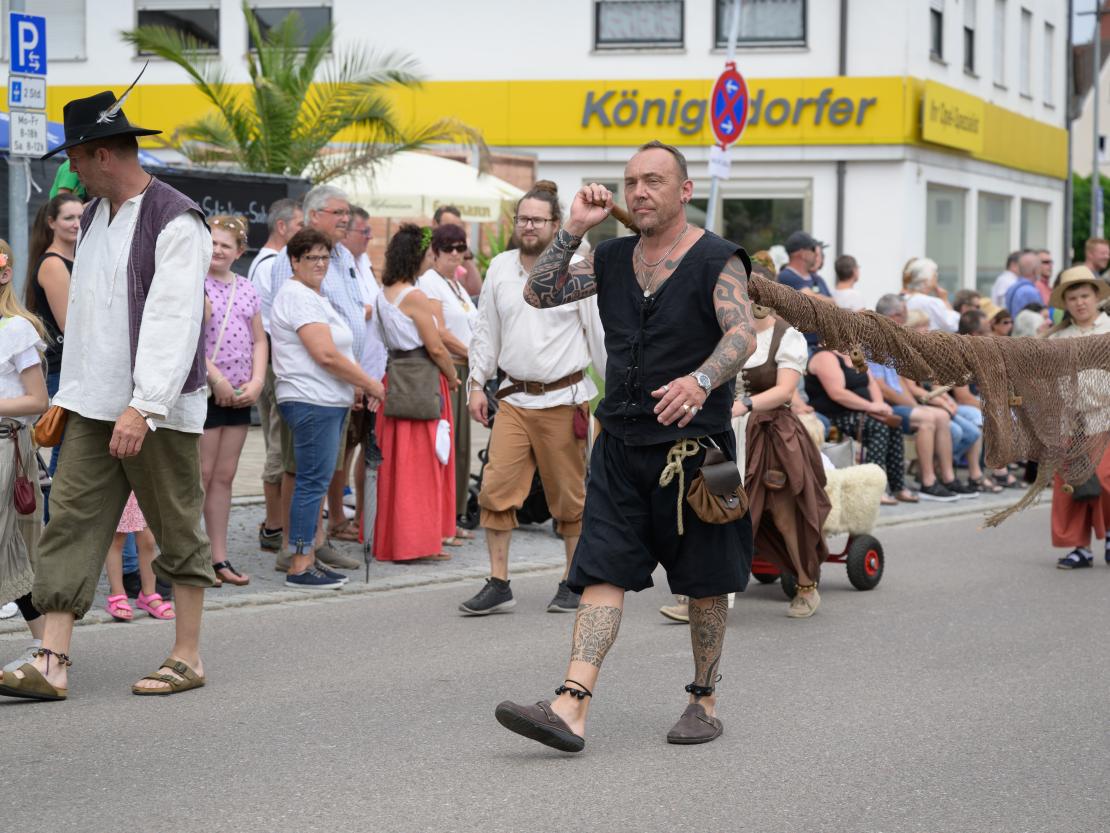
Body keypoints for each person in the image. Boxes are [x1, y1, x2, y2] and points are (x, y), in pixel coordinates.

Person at [495, 140, 757, 752]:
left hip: (701, 453)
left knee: (706, 583)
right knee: (602, 569)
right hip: (619, 445)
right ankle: (571, 705)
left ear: (685, 191)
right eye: (632, 181)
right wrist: (572, 228)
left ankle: (703, 700)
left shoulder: (718, 258)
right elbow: (538, 293)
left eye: (654, 181)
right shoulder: (610, 257)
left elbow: (742, 334)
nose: (639, 191)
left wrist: (700, 381)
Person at [2, 88, 216, 701]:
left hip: (158, 410)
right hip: (92, 404)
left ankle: (187, 655)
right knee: (69, 521)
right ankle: (52, 661)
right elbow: (90, 319)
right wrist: (71, 396)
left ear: (102, 154)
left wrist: (143, 405)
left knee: (177, 527)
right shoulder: (96, 215)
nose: (70, 172)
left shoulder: (176, 219)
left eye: (75, 158)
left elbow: (175, 320)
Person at [458, 181, 606, 616]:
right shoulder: (500, 267)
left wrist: (615, 393)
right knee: (495, 490)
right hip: (512, 398)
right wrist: (476, 384)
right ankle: (498, 581)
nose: (528, 226)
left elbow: (598, 333)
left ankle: (573, 580)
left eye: (537, 220)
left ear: (556, 225)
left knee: (570, 498)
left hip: (563, 398)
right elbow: (486, 330)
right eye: (523, 218)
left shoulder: (577, 267)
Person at [270, 228, 384, 588]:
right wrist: (368, 382)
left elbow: (338, 351)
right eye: (311, 257)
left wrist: (353, 385)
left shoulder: (314, 296)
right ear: (294, 261)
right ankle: (300, 563)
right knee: (310, 482)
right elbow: (325, 354)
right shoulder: (297, 296)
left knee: (315, 481)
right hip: (310, 399)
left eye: (324, 257)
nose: (320, 264)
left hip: (327, 400)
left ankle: (309, 556)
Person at [733, 294, 831, 618]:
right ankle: (701, 594)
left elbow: (785, 391)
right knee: (718, 511)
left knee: (784, 513)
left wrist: (745, 405)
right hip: (730, 433)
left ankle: (806, 585)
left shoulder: (787, 336)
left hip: (772, 434)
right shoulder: (729, 331)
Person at [373, 225, 461, 562]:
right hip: (422, 379)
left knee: (397, 466)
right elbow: (435, 347)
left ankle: (395, 539)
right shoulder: (415, 296)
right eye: (427, 253)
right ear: (416, 256)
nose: (431, 259)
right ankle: (417, 541)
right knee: (423, 463)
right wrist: (452, 376)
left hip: (395, 376)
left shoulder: (384, 293)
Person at [201, 216, 266, 587]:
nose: (218, 250)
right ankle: (192, 556)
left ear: (239, 252)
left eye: (226, 245)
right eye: (212, 242)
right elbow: (189, 340)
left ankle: (219, 556)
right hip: (207, 391)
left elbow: (259, 339)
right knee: (201, 474)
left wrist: (257, 381)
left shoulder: (247, 288)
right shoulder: (195, 282)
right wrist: (218, 379)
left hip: (239, 394)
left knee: (224, 477)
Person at [0, 239, 49, 677]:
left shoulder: (16, 328)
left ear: (4, 273)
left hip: (6, 446)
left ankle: (44, 645)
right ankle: (44, 644)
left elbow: (38, 400)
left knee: (10, 544)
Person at [328, 205, 387, 543]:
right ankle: (336, 516)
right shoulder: (337, 262)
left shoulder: (361, 263)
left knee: (363, 447)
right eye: (364, 231)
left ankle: (359, 515)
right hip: (351, 374)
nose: (369, 237)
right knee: (343, 450)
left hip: (371, 372)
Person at [1045, 266, 1110, 569]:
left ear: (1096, 297)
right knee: (1070, 487)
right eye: (1073, 298)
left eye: (1085, 296)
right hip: (1070, 421)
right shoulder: (1058, 338)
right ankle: (1079, 548)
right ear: (1066, 303)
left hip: (1105, 416)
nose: (1080, 302)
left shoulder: (1108, 330)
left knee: (1106, 479)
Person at [249, 197, 303, 554]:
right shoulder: (271, 265)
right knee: (277, 444)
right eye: (299, 225)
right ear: (282, 227)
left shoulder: (267, 262)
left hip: (272, 361)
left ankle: (278, 522)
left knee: (279, 443)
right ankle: (274, 524)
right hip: (274, 362)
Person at [418, 224, 478, 544]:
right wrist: (472, 352)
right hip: (448, 369)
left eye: (460, 248)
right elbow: (439, 331)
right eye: (448, 248)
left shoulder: (455, 283)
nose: (455, 254)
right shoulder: (430, 282)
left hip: (465, 368)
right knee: (447, 447)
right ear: (435, 251)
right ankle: (441, 521)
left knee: (462, 447)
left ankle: (453, 516)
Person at [806, 343, 915, 505]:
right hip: (835, 417)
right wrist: (870, 406)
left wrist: (880, 406)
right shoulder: (825, 356)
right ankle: (873, 488)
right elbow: (837, 393)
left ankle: (897, 486)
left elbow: (871, 383)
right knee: (878, 427)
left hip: (863, 412)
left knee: (893, 424)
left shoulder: (854, 354)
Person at [103, 494, 173, 621]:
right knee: (118, 537)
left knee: (148, 541)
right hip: (120, 488)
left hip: (142, 488)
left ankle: (149, 594)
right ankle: (117, 594)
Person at [432, 204, 483, 296]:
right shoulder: (425, 253)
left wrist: (466, 255)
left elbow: (476, 291)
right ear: (435, 224)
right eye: (448, 227)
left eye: (457, 228)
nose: (453, 233)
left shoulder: (458, 253)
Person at [903, 258, 959, 332]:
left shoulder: (904, 298)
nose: (936, 279)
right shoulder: (932, 302)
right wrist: (945, 300)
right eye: (934, 276)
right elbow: (951, 326)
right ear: (926, 280)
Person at [1004, 251, 1042, 318]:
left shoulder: (1011, 288)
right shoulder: (1031, 291)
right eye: (1039, 268)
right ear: (1035, 270)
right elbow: (1038, 319)